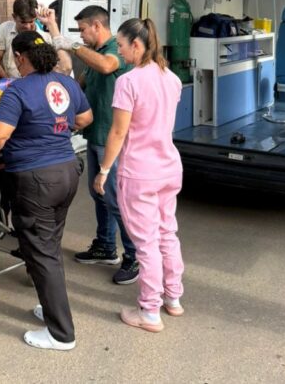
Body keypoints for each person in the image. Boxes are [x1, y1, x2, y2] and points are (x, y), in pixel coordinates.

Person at [0, 31, 92, 351]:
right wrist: (58, 126)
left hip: (36, 179)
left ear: (19, 57)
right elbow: (85, 118)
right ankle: (50, 308)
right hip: (67, 172)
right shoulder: (66, 83)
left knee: (42, 253)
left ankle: (61, 333)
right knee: (49, 247)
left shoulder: (18, 90)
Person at [93, 18, 185, 333]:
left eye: (120, 45)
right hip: (169, 167)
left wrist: (104, 170)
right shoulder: (172, 79)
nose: (118, 51)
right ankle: (172, 298)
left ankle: (149, 311)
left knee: (145, 243)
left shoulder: (129, 82)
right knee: (167, 234)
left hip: (140, 172)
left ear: (136, 44)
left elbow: (118, 132)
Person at [40, 5, 138, 284]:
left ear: (97, 25)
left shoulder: (115, 49)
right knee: (99, 196)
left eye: (83, 30)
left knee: (116, 200)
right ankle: (106, 246)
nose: (81, 36)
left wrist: (70, 45)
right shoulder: (95, 56)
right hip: (96, 136)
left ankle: (134, 255)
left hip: (112, 139)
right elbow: (77, 86)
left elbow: (106, 66)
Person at [0, 0, 53, 79]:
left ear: (36, 18)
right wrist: (9, 83)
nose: (27, 26)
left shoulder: (45, 38)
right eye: (23, 22)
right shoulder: (4, 29)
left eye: (31, 21)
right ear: (14, 17)